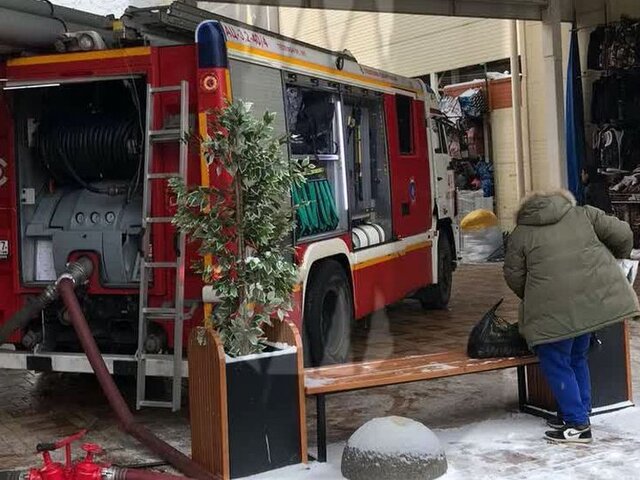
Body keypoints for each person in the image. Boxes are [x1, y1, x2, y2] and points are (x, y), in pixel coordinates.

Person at [504, 190, 639, 444]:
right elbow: (623, 235)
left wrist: (536, 294)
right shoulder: (583, 214)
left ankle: (577, 425)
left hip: (551, 310)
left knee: (555, 362)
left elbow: (514, 276)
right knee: (577, 357)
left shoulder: (521, 233)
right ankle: (577, 413)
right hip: (588, 302)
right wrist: (617, 255)